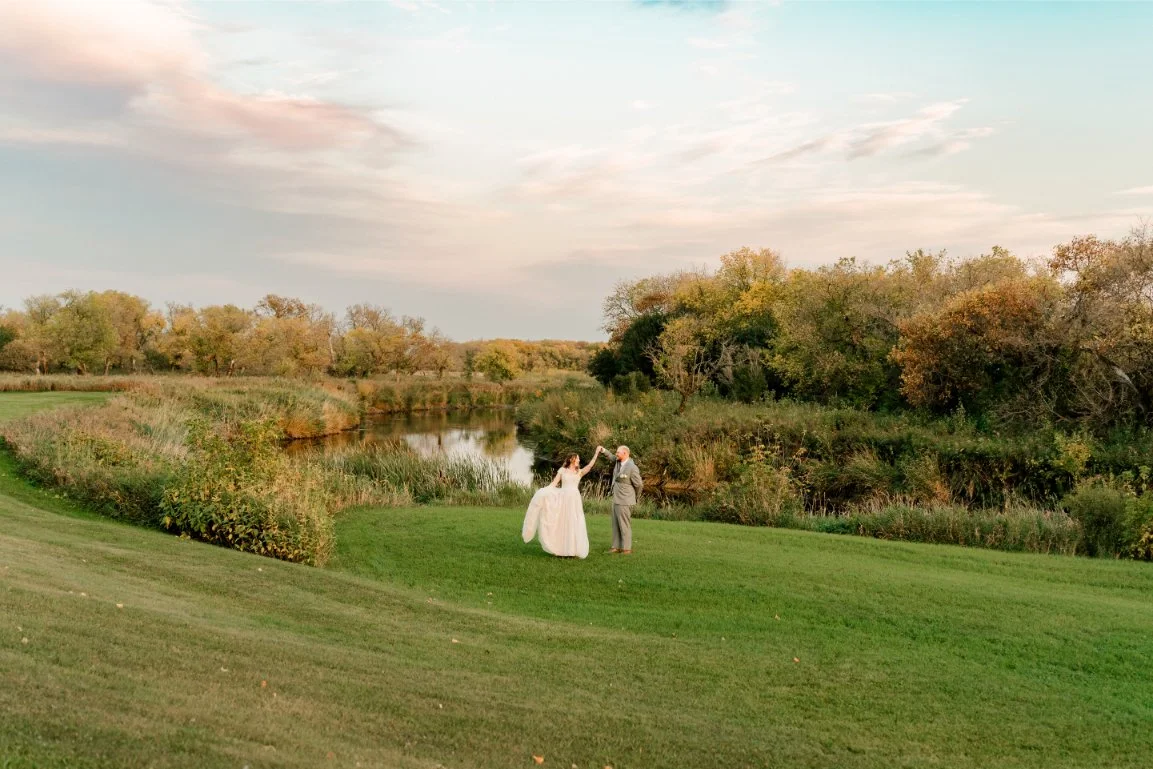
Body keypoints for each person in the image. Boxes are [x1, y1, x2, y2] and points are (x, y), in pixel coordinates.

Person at [521, 446, 604, 559]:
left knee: (574, 522)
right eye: (577, 458)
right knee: (562, 522)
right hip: (563, 498)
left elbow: (590, 465)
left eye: (579, 459)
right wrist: (544, 492)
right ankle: (561, 549)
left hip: (574, 500)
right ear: (571, 460)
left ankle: (573, 550)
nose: (579, 460)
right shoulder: (562, 471)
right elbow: (554, 483)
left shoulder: (579, 472)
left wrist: (596, 453)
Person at [605, 444, 642, 554]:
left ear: (625, 453)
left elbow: (639, 485)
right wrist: (603, 450)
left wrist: (635, 496)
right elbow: (611, 457)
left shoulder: (632, 467)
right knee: (615, 524)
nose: (616, 454)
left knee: (624, 525)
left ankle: (626, 548)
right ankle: (615, 546)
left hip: (625, 500)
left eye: (618, 452)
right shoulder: (618, 462)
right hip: (616, 498)